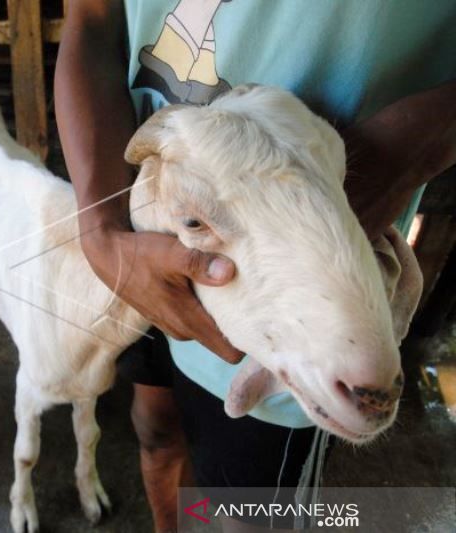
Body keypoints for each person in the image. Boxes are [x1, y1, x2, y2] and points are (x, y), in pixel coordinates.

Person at [55, 1, 456, 531]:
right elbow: (92, 17)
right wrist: (102, 226)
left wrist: (413, 143)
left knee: (248, 509)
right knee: (154, 426)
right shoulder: (124, 225)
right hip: (144, 232)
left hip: (309, 307)